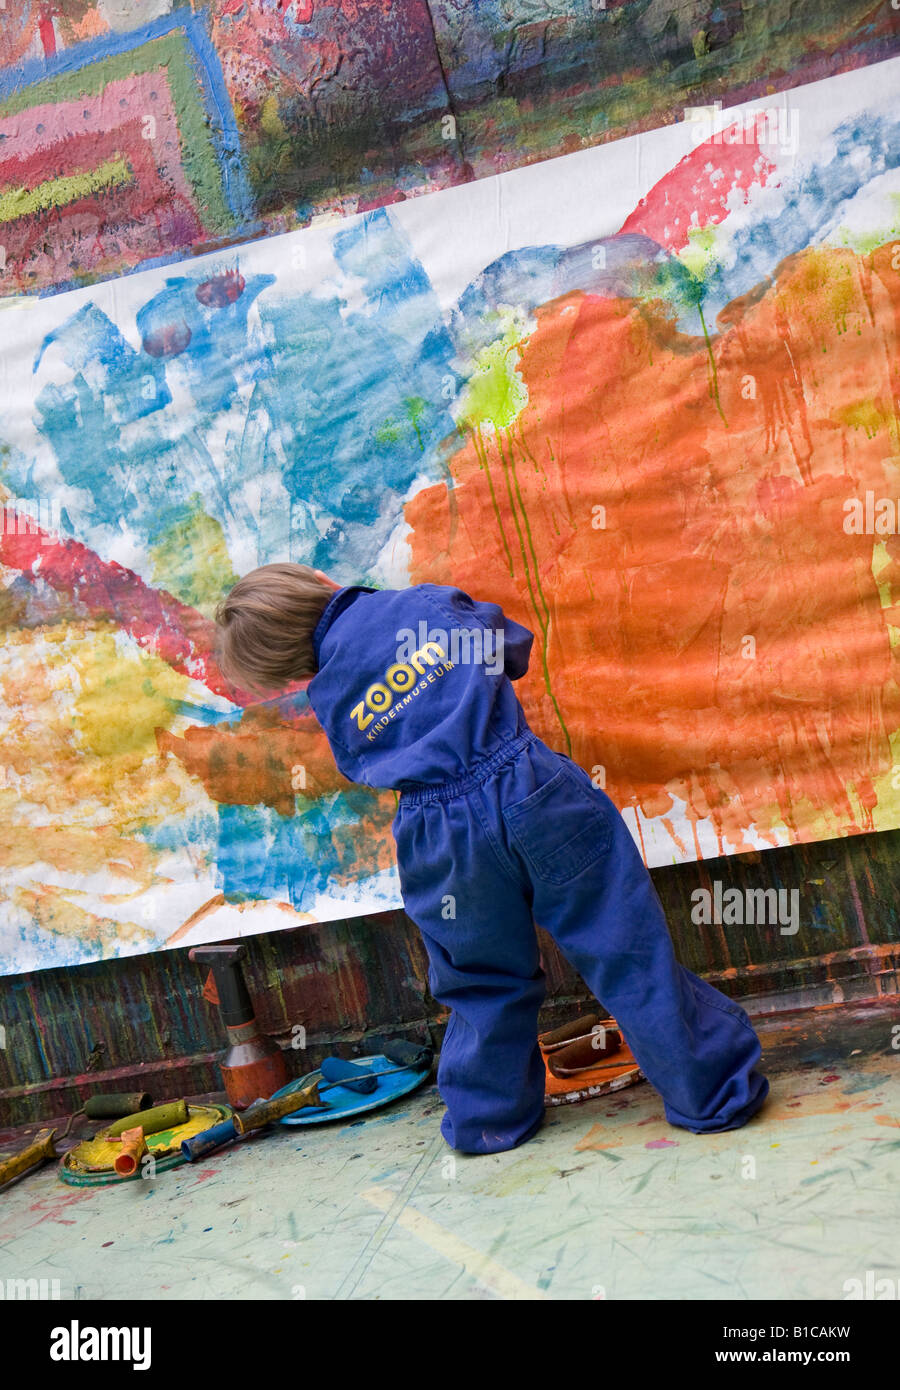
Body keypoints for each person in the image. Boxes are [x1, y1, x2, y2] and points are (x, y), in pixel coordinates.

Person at [215, 563, 769, 1155]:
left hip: (438, 838)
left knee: (480, 981)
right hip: (532, 790)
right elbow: (511, 646)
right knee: (621, 947)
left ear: (289, 668)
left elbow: (364, 765)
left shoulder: (329, 694)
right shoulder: (425, 604)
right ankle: (711, 1095)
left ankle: (488, 1122)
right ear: (311, 580)